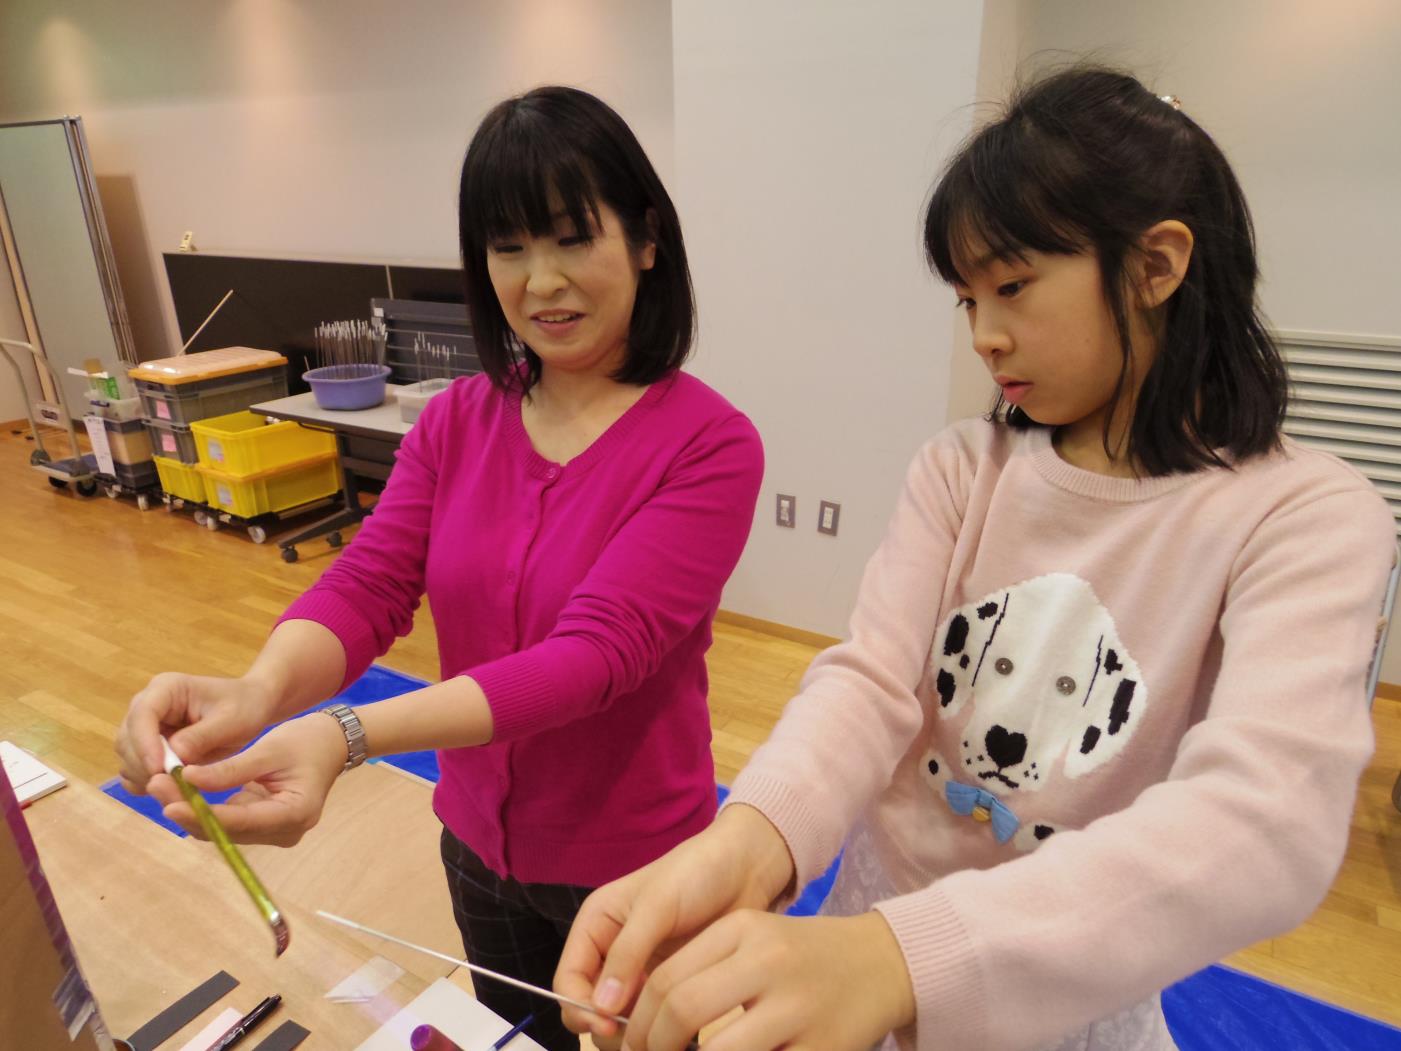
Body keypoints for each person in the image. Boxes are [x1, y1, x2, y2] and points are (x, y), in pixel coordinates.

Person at [554, 67, 1396, 1051]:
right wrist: (751, 838)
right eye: (966, 299)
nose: (985, 335)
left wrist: (902, 959)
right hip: (858, 952)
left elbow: (1261, 826)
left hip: (1064, 1003)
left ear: (1157, 265)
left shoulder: (1305, 513)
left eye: (1011, 287)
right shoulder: (964, 468)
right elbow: (869, 686)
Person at [114, 86, 764, 1051]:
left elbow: (594, 658)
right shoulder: (458, 418)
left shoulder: (709, 445)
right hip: (476, 846)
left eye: (573, 238)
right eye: (508, 248)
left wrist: (342, 733)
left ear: (645, 241)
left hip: (635, 864)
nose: (541, 281)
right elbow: (370, 583)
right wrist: (258, 692)